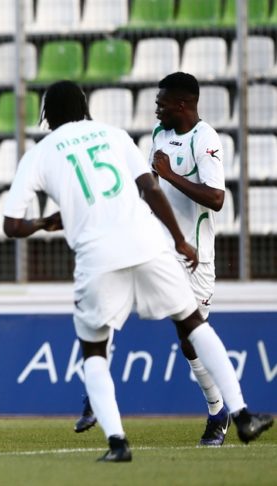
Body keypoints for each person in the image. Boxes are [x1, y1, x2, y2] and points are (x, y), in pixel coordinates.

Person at [3, 80, 272, 462]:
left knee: (96, 349)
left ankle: (118, 441)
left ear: (47, 116)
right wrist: (177, 239)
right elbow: (150, 189)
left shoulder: (39, 154)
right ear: (84, 107)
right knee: (194, 324)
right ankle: (241, 413)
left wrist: (44, 223)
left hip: (101, 252)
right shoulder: (116, 135)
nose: (157, 108)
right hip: (149, 241)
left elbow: (12, 226)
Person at [74, 72, 231, 447]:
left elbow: (216, 199)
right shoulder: (159, 136)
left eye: (162, 103)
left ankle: (218, 411)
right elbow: (148, 188)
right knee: (108, 303)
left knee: (190, 339)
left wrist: (170, 174)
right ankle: (95, 393)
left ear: (181, 103)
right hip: (155, 249)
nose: (156, 108)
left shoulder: (205, 139)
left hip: (194, 256)